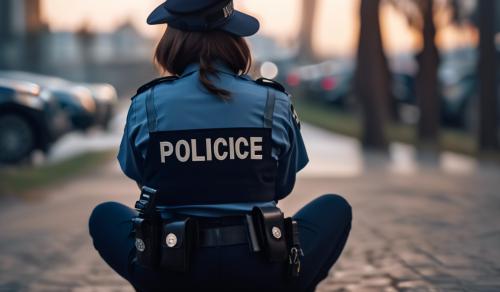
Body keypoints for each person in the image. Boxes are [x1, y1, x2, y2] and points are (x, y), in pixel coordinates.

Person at [88, 0, 352, 291]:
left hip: (174, 271)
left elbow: (143, 181)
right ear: (234, 38)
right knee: (335, 208)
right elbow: (281, 187)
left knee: (105, 215)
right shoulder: (273, 101)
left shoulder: (144, 105)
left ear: (171, 40)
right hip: (261, 269)